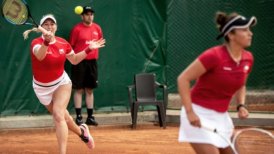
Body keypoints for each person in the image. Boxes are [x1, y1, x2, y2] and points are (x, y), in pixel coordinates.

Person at [177, 11, 257, 154]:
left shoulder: (248, 59)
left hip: (221, 117)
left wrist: (241, 105)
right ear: (231, 35)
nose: (250, 33)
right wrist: (190, 112)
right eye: (244, 30)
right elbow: (183, 78)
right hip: (197, 112)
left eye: (249, 29)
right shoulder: (214, 56)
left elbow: (242, 85)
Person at [29, 14, 105, 154]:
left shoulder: (63, 43)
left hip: (61, 83)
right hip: (41, 88)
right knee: (65, 117)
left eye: (52, 24)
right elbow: (40, 56)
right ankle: (82, 133)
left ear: (56, 27)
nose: (49, 26)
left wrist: (89, 49)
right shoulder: (36, 43)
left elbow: (75, 60)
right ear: (41, 28)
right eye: (46, 24)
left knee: (58, 115)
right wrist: (46, 42)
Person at [69, 6, 103, 126]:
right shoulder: (76, 29)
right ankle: (78, 117)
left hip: (92, 63)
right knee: (78, 89)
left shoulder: (97, 28)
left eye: (91, 14)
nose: (90, 16)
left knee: (89, 90)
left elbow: (99, 43)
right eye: (87, 14)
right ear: (82, 16)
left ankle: (90, 117)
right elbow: (71, 46)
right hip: (79, 62)